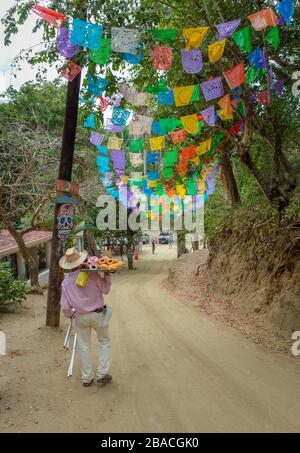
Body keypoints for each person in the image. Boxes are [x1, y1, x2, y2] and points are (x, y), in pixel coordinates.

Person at [59, 247, 112, 387]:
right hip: (98, 314)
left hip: (80, 316)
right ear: (81, 260)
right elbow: (105, 290)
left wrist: (71, 314)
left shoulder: (65, 283)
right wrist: (107, 274)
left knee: (83, 346)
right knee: (104, 342)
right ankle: (102, 374)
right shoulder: (92, 275)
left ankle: (87, 378)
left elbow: (65, 307)